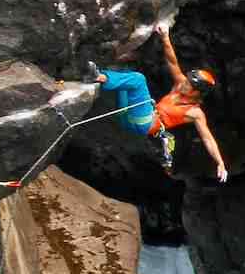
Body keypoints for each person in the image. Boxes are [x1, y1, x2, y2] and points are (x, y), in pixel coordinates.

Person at [84, 25, 228, 183]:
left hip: (144, 123)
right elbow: (172, 62)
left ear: (196, 93)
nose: (183, 83)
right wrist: (165, 37)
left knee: (138, 80)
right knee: (125, 73)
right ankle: (97, 74)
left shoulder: (195, 113)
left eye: (188, 85)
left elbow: (207, 138)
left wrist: (219, 162)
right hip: (126, 117)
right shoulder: (180, 85)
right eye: (186, 80)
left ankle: (98, 77)